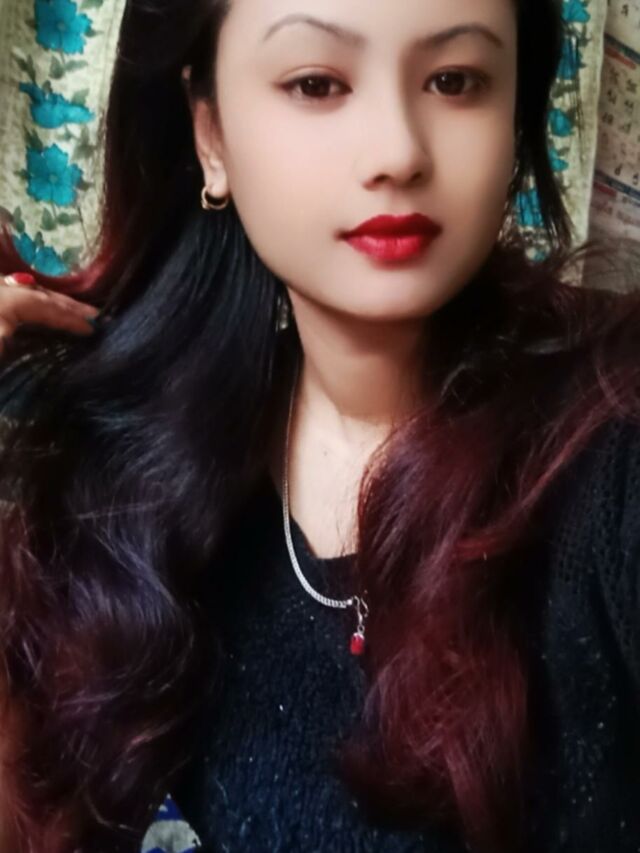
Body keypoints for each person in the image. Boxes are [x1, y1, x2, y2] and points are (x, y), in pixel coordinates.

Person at [0, 0, 638, 851]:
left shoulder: (612, 443)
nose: (397, 151)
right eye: (316, 83)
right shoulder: (147, 472)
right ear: (210, 134)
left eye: (455, 81)